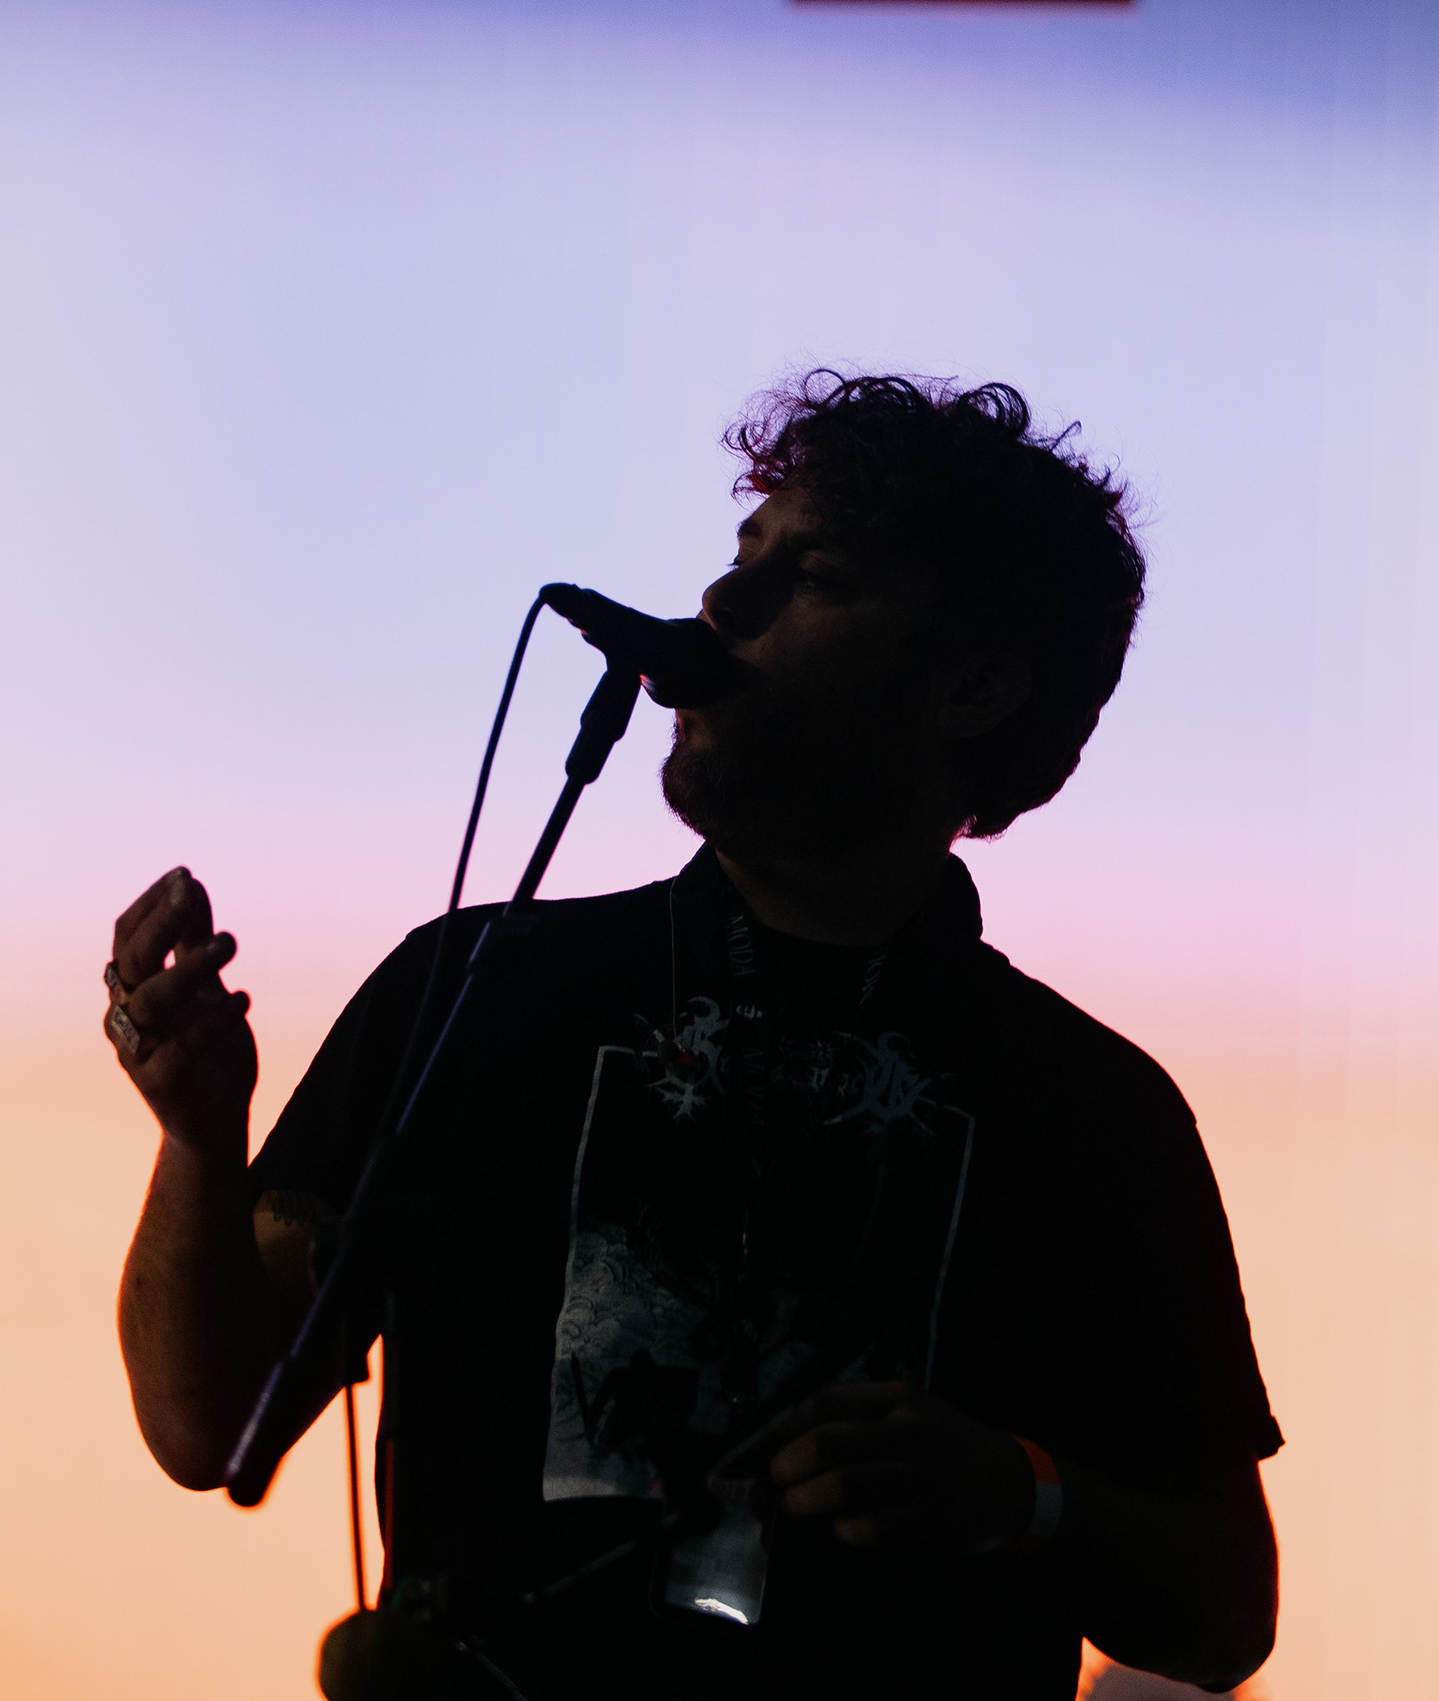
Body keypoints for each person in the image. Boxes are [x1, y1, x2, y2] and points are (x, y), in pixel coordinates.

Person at [106, 374, 1280, 1699]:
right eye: (743, 555)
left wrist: (1023, 1494)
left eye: (815, 576)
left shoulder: (1094, 1112)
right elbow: (211, 1427)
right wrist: (198, 1142)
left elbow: (1226, 1615)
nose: (721, 604)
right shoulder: (472, 986)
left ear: (975, 686)